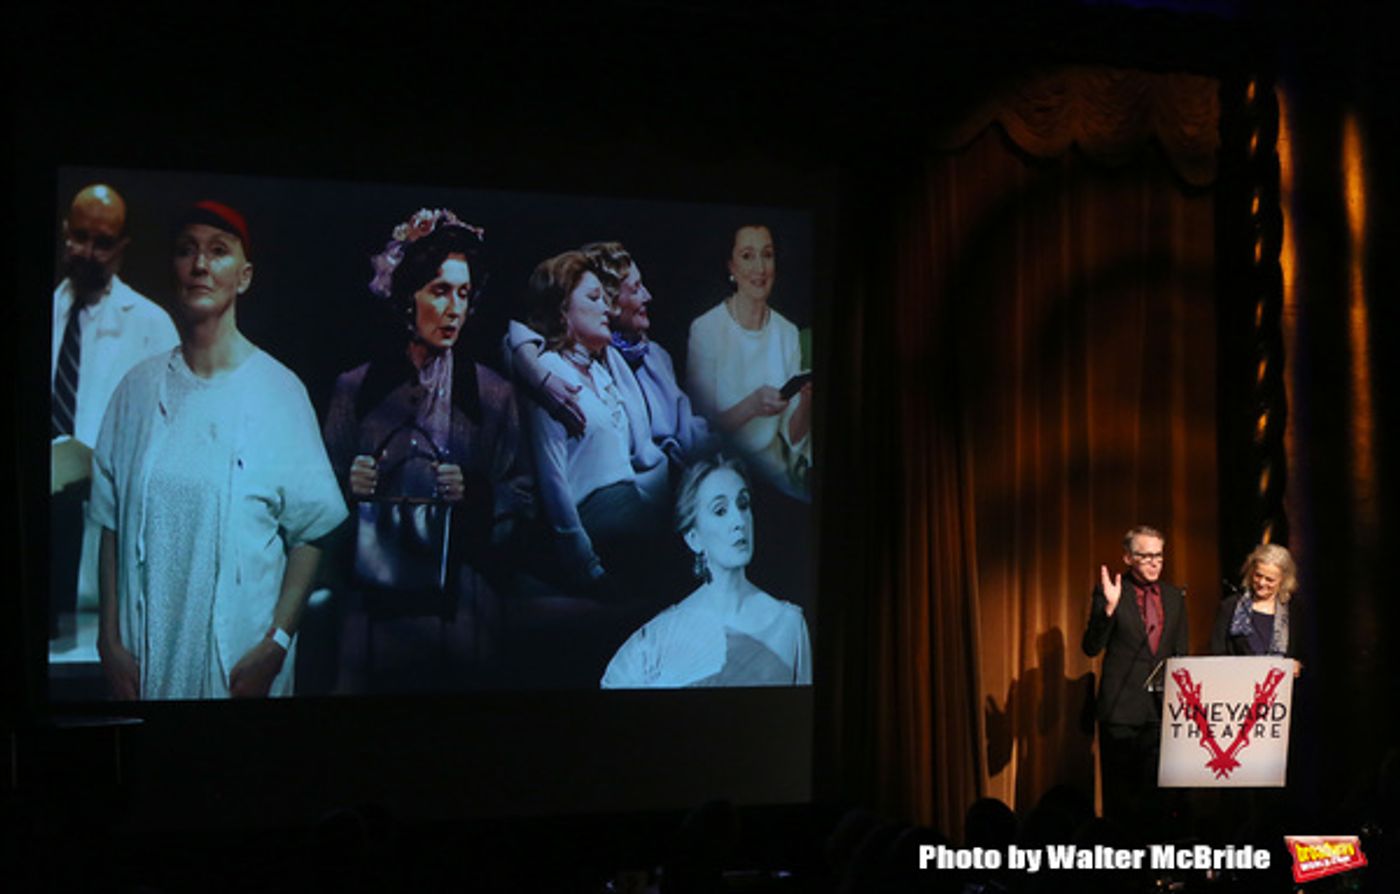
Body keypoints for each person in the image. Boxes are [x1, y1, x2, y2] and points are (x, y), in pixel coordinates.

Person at [92, 200, 347, 699]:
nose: (201, 265)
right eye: (187, 251)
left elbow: (312, 529)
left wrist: (276, 643)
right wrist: (110, 641)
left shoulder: (278, 392)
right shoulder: (137, 391)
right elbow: (110, 519)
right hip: (147, 662)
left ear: (244, 275)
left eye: (217, 251)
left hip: (238, 667)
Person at [320, 210, 531, 682]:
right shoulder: (358, 389)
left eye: (463, 293)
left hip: (461, 604)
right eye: (439, 290)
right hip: (372, 603)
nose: (455, 307)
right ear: (405, 298)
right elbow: (315, 505)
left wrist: (475, 494)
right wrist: (347, 485)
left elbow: (524, 495)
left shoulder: (492, 395)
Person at [51, 184, 179, 622]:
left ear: (122, 248)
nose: (88, 252)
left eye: (103, 243)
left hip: (102, 525)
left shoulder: (150, 326)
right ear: (65, 232)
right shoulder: (49, 311)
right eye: (80, 237)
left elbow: (170, 434)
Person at [522, 250, 668, 594]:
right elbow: (553, 481)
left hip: (633, 514)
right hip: (599, 529)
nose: (607, 308)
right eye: (593, 298)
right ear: (562, 310)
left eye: (607, 298)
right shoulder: (549, 374)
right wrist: (586, 568)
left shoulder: (602, 372)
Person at [600, 456, 811, 687]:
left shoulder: (788, 624)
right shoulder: (658, 638)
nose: (739, 521)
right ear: (693, 538)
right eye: (720, 510)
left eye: (743, 504)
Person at [686, 225, 811, 498]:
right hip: (724, 474)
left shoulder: (787, 332)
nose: (760, 268)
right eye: (747, 255)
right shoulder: (705, 329)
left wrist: (807, 400)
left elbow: (794, 436)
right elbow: (700, 430)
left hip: (776, 476)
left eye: (767, 255)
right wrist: (752, 405)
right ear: (731, 266)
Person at [1081, 525, 1189, 826]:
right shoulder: (1112, 592)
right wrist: (1109, 610)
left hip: (1161, 713)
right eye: (1146, 556)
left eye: (1159, 556)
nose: (1155, 562)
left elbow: (1181, 654)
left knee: (1156, 801)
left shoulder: (1174, 596)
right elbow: (1091, 647)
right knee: (1122, 802)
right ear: (1128, 558)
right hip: (1121, 713)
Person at [582, 241, 713, 472]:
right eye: (635, 289)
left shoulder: (657, 356)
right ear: (609, 301)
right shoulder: (591, 365)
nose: (648, 296)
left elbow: (689, 430)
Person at [1211, 543, 1302, 666]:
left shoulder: (1293, 610)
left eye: (1269, 579)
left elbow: (1302, 655)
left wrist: (1297, 665)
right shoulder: (1230, 606)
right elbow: (1217, 655)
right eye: (1258, 575)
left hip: (1278, 683)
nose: (1262, 583)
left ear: (1283, 580)